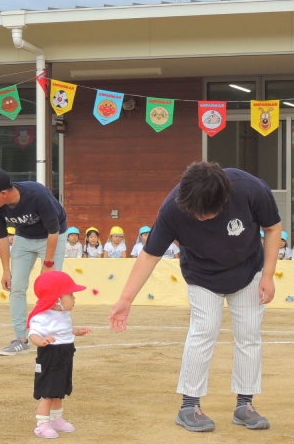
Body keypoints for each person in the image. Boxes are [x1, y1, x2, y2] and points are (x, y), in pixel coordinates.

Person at [109, 162, 281, 433]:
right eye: (195, 212)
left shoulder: (250, 189)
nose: (200, 217)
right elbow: (150, 254)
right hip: (202, 276)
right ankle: (189, 405)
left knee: (249, 334)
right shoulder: (173, 208)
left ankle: (245, 405)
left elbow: (273, 228)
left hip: (249, 271)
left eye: (207, 212)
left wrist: (268, 274)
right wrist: (126, 299)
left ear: (223, 198)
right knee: (203, 332)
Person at [0, 168, 67, 357]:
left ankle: (52, 336)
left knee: (50, 287)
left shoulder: (37, 195)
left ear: (3, 194)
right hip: (24, 237)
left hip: (53, 236)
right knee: (16, 287)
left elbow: (54, 230)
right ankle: (21, 340)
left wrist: (48, 263)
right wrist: (6, 270)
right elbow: (1, 235)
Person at [27, 271, 91, 439]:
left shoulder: (64, 314)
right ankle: (42, 424)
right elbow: (32, 334)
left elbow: (66, 330)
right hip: (50, 356)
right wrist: (40, 341)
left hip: (65, 354)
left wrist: (78, 331)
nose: (74, 298)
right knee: (48, 392)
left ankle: (56, 419)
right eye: (70, 295)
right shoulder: (42, 316)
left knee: (59, 389)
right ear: (56, 299)